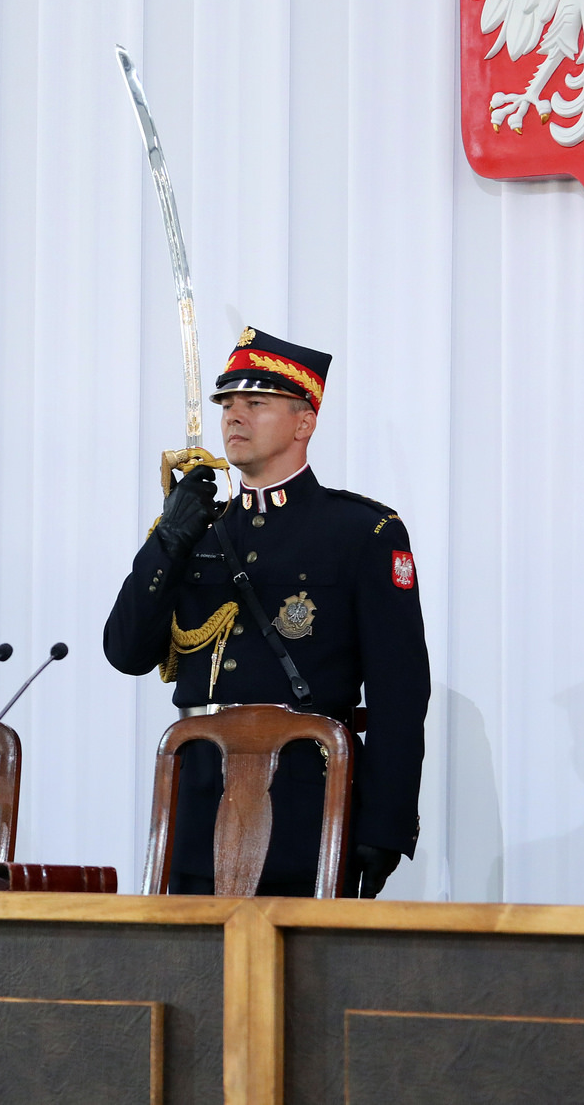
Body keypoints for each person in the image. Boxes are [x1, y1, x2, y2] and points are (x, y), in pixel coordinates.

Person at [103, 328, 430, 897]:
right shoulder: (198, 529)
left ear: (304, 422)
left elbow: (399, 692)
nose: (235, 416)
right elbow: (126, 652)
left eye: (256, 403)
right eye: (228, 403)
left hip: (304, 798)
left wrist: (386, 823)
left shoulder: (361, 533)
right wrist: (168, 542)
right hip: (198, 792)